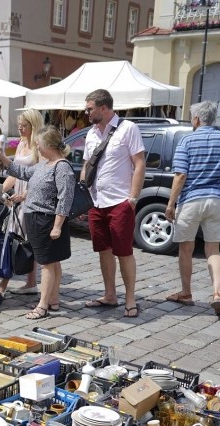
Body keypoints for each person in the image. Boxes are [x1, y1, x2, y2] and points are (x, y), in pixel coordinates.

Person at [164, 101, 220, 316]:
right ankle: (217, 293)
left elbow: (181, 175)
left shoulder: (187, 141)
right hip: (217, 200)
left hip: (191, 201)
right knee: (213, 250)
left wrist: (170, 204)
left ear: (195, 119)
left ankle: (186, 293)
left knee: (186, 248)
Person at [0, 126, 75, 319]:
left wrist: (57, 226)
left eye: (39, 143)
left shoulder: (61, 166)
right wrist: (4, 159)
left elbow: (65, 198)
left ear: (48, 145)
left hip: (46, 220)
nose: (36, 146)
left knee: (47, 263)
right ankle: (52, 299)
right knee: (51, 262)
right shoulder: (44, 164)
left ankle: (43, 305)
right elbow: (22, 172)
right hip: (37, 218)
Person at [82, 89, 145, 318]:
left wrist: (133, 198)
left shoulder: (128, 129)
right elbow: (87, 165)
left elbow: (139, 164)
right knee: (103, 251)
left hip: (120, 201)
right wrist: (82, 195)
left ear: (104, 108)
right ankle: (110, 295)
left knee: (124, 252)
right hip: (96, 202)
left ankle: (130, 299)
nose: (86, 112)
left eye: (89, 108)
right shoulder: (91, 134)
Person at [0, 109, 44, 296]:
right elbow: (15, 172)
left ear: (34, 125)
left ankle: (4, 285)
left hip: (32, 197)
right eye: (19, 125)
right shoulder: (22, 143)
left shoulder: (39, 145)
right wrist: (1, 188)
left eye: (24, 126)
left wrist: (26, 195)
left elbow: (42, 175)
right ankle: (30, 283)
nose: (20, 129)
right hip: (19, 198)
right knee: (21, 240)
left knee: (21, 240)